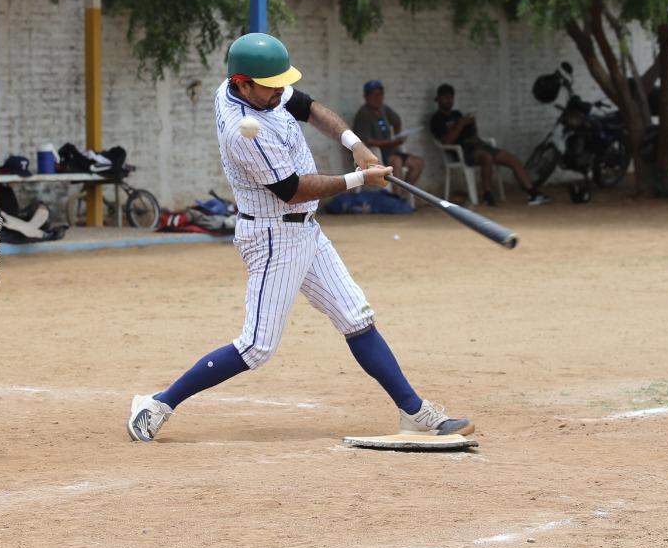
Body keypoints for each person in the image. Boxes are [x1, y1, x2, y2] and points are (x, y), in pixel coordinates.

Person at [127, 33, 474, 443]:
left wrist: (356, 144)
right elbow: (292, 189)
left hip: (304, 229)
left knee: (356, 317)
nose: (279, 92)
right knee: (256, 347)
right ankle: (157, 405)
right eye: (270, 86)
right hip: (273, 235)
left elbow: (308, 107)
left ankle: (414, 412)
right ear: (242, 84)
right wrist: (360, 178)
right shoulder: (243, 134)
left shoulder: (251, 87)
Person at [429, 84, 548, 205]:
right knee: (487, 157)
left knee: (512, 159)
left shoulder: (457, 114)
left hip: (477, 145)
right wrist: (461, 124)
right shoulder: (437, 119)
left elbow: (473, 135)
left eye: (450, 97)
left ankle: (533, 193)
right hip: (463, 151)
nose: (448, 100)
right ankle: (487, 195)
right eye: (445, 97)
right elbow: (447, 142)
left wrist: (472, 124)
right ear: (438, 99)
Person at [350, 79, 423, 187]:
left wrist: (399, 135)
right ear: (366, 97)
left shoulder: (384, 109)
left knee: (418, 162)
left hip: (392, 152)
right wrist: (391, 143)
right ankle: (396, 197)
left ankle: (404, 195)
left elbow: (397, 120)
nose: (378, 98)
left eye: (380, 94)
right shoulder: (364, 114)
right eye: (374, 95)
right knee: (396, 162)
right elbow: (366, 141)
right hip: (376, 156)